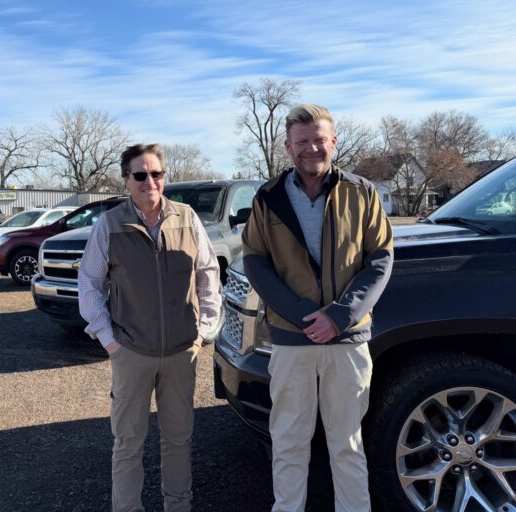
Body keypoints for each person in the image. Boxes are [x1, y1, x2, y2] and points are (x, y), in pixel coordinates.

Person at [241, 104, 394, 512]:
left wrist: (339, 316)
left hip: (347, 340)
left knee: (346, 442)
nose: (312, 148)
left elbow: (380, 259)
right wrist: (302, 315)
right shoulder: (268, 198)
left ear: (334, 142)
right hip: (292, 340)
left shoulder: (361, 193)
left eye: (319, 140)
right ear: (289, 147)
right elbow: (255, 259)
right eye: (302, 142)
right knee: (289, 440)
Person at [78, 143, 221, 512]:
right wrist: (110, 341)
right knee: (128, 443)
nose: (149, 182)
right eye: (140, 175)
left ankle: (178, 505)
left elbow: (208, 273)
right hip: (131, 353)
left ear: (164, 177)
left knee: (178, 439)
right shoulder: (109, 224)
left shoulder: (187, 218)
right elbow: (90, 284)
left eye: (156, 174)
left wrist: (205, 329)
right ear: (126, 180)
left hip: (181, 352)